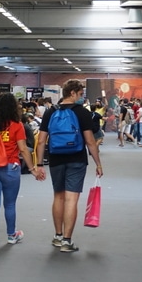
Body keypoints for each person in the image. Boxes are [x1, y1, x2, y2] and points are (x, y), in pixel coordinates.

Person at [34, 79, 103, 253]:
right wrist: (98, 163)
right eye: (80, 94)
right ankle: (67, 240)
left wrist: (39, 164)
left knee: (58, 197)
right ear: (72, 93)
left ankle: (57, 237)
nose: (82, 98)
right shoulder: (82, 113)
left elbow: (41, 141)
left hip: (56, 158)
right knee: (72, 199)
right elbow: (90, 141)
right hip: (77, 159)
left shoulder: (50, 112)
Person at [0, 92, 42, 249]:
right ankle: (11, 235)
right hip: (10, 168)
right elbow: (23, 149)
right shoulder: (16, 125)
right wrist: (33, 169)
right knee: (10, 204)